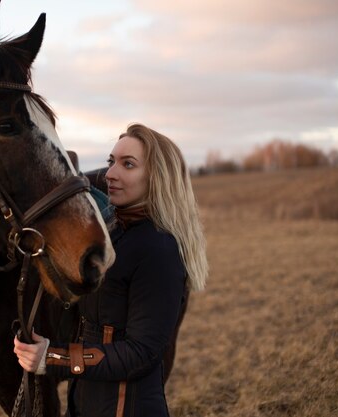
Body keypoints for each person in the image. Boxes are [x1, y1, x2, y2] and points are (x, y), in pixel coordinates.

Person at [14, 123, 208, 417]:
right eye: (111, 162)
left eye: (128, 164)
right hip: (84, 405)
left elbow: (141, 353)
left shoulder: (159, 249)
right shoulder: (114, 237)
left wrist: (53, 357)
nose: (110, 175)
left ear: (157, 177)